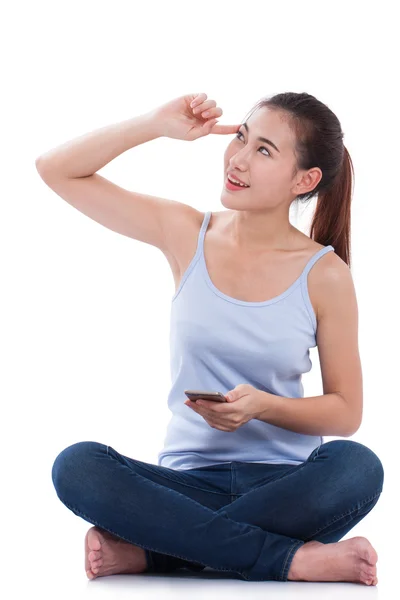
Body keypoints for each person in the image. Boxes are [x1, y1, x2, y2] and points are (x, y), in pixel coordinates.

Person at [36, 92, 384, 585]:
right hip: (183, 485)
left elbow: (346, 412)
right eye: (242, 138)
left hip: (286, 484)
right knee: (78, 466)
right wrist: (154, 124)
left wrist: (262, 406)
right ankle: (290, 560)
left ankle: (159, 552)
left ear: (304, 181)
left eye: (264, 150)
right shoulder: (185, 232)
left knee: (357, 468)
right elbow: (56, 170)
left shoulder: (324, 274)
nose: (238, 160)